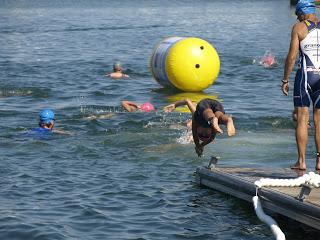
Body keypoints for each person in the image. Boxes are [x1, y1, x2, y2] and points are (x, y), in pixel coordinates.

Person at [282, 0, 320, 170]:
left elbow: (291, 56)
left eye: (298, 15)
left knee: (302, 120)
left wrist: (285, 79)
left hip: (305, 77)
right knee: (319, 121)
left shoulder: (298, 28)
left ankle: (302, 161)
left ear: (303, 13)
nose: (297, 18)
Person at [163, 98, 235, 157]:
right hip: (217, 106)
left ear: (197, 131)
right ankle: (228, 120)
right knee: (219, 117)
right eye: (206, 135)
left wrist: (175, 104)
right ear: (211, 132)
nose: (204, 133)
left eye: (200, 134)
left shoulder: (196, 118)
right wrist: (201, 146)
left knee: (207, 113)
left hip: (204, 105)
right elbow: (211, 138)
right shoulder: (215, 129)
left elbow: (187, 101)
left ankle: (213, 119)